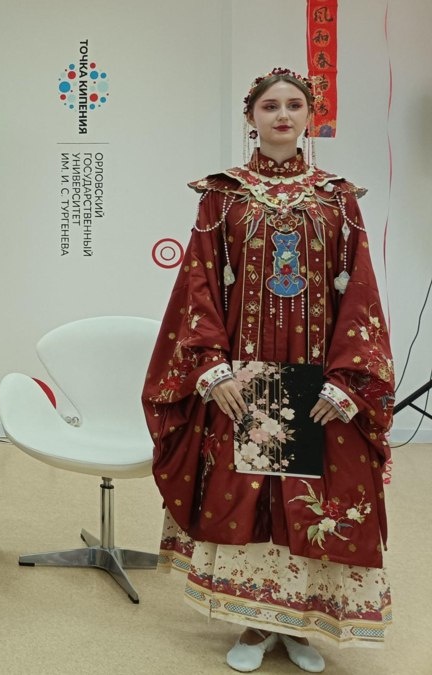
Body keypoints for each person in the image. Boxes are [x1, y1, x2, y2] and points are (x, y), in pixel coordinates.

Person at [143, 68, 394, 673]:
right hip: (244, 376)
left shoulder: (337, 199)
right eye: (270, 106)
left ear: (310, 117)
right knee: (248, 494)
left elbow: (360, 290)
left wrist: (349, 378)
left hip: (319, 375)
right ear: (250, 117)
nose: (283, 115)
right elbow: (199, 283)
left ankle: (300, 623)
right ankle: (255, 623)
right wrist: (211, 367)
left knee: (317, 497)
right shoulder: (223, 196)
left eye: (295, 105)